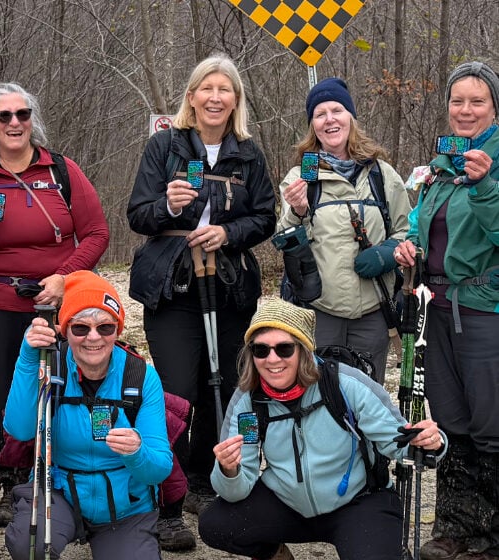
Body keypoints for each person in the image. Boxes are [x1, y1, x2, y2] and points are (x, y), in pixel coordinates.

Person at [126, 53, 276, 546]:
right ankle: (167, 493)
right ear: (191, 96)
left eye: (225, 90)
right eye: (206, 88)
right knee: (177, 388)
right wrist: (169, 206)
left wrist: (227, 232)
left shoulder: (249, 153)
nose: (215, 97)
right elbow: (138, 214)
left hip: (229, 281)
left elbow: (265, 217)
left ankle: (210, 475)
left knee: (230, 382)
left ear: (236, 100)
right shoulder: (164, 145)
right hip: (174, 284)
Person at [0, 83, 109, 525]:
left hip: (57, 302)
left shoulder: (61, 170)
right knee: (3, 392)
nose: (14, 123)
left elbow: (97, 233)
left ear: (33, 119)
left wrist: (65, 277)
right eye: (4, 116)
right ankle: (12, 478)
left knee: (66, 386)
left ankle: (65, 474)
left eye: (22, 114)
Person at [198, 298, 447, 560]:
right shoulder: (249, 401)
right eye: (261, 350)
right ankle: (275, 554)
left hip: (357, 502)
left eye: (284, 349)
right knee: (215, 525)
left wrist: (432, 441)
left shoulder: (346, 385)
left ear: (304, 350)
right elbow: (236, 488)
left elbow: (398, 442)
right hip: (287, 503)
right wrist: (229, 470)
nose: (272, 359)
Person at [395, 61, 499, 560]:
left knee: (491, 425)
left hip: (484, 310)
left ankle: (492, 532)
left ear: (494, 108)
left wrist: (484, 188)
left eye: (477, 101)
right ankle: (459, 528)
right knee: (454, 423)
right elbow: (423, 222)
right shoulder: (443, 162)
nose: (465, 110)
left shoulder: (493, 163)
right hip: (434, 309)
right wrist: (409, 247)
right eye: (458, 101)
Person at [3, 271, 172, 559]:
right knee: (28, 547)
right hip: (58, 493)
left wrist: (136, 451)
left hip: (126, 503)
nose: (93, 338)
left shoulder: (141, 376)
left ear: (117, 331)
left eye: (105, 327)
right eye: (80, 328)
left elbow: (159, 468)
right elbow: (19, 430)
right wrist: (28, 357)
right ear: (65, 330)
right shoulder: (49, 366)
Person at [278, 77, 411, 385]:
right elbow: (283, 239)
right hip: (319, 310)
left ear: (351, 117)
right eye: (320, 114)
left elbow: (407, 231)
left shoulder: (380, 173)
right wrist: (298, 211)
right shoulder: (300, 177)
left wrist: (387, 254)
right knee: (321, 395)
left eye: (337, 110)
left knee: (368, 395)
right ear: (313, 125)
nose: (330, 119)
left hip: (373, 311)